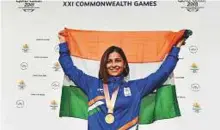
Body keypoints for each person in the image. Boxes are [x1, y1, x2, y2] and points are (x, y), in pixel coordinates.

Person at [58, 34, 185, 130]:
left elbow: (161, 73)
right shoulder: (92, 85)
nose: (113, 65)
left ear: (124, 64)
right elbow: (70, 70)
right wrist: (63, 45)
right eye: (109, 61)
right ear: (104, 64)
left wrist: (176, 48)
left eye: (117, 60)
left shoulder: (136, 87)